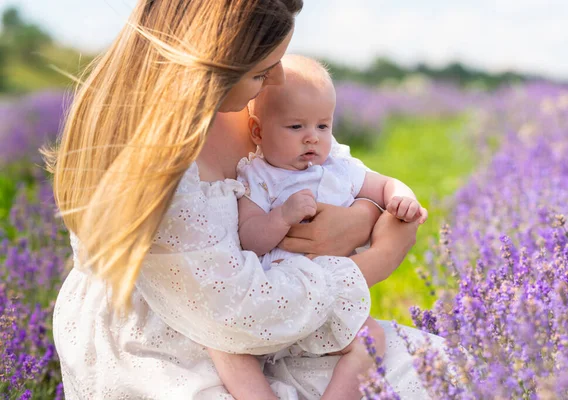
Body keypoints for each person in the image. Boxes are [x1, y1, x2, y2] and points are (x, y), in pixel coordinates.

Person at [47, 1, 445, 398]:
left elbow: (334, 172)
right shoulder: (162, 166)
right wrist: (379, 258)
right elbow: (238, 313)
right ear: (214, 65)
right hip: (185, 347)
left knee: (447, 367)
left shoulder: (243, 107)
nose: (278, 78)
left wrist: (364, 214)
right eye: (260, 71)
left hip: (280, 315)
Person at [207, 54, 429, 400]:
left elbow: (385, 185)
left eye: (322, 126)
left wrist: (403, 197)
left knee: (370, 341)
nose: (312, 138)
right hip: (271, 301)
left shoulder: (339, 168)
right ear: (258, 131)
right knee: (228, 348)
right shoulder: (259, 177)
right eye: (296, 127)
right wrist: (280, 218)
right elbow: (247, 238)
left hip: (327, 304)